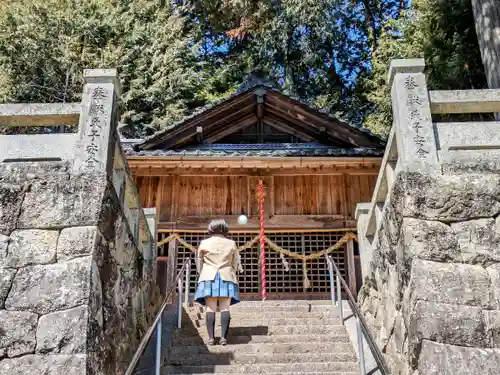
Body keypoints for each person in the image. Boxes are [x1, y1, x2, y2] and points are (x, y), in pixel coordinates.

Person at [194, 219, 241, 345]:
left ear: (211, 229)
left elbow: (199, 261)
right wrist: (232, 271)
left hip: (209, 276)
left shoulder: (204, 243)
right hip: (226, 275)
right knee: (225, 308)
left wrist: (201, 273)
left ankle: (210, 338)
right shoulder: (231, 243)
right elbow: (235, 262)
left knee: (210, 308)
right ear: (225, 229)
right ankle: (223, 338)